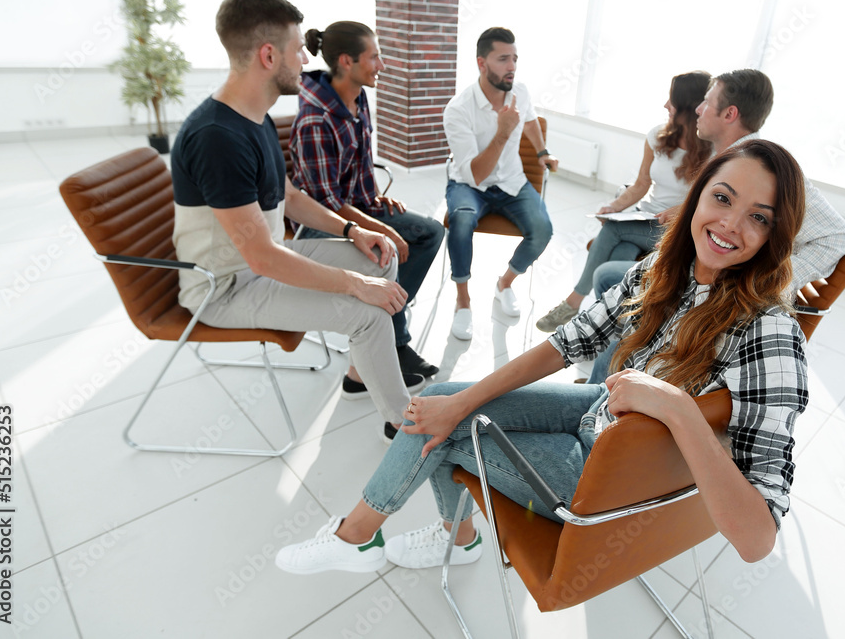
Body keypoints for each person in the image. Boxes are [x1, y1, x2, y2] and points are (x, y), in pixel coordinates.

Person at [275, 139, 809, 576]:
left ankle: (359, 537)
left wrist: (677, 407)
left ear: (776, 235)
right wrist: (466, 398)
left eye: (758, 217)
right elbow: (566, 343)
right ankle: (450, 540)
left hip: (613, 478)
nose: (731, 225)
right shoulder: (664, 272)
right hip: (603, 412)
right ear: (696, 199)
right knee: (444, 401)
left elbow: (757, 538)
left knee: (443, 431)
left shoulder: (770, 334)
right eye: (722, 198)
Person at [170, 0, 423, 445]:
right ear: (269, 56)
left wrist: (353, 230)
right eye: (297, 50)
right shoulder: (216, 138)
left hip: (264, 258)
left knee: (381, 257)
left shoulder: (255, 117)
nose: (307, 59)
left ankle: (359, 375)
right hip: (226, 286)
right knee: (363, 311)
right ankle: (406, 427)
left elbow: (287, 196)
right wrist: (352, 283)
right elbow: (262, 259)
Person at [579, 69, 845, 384]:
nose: (698, 109)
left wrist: (765, 282)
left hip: (723, 293)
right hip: (704, 276)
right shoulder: (728, 157)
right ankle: (606, 379)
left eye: (706, 103)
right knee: (618, 275)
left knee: (616, 280)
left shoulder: (765, 168)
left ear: (730, 114)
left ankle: (603, 388)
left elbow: (837, 238)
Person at [289, 21, 444, 381]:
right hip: (320, 225)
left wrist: (376, 200)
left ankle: (383, 325)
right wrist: (379, 227)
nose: (382, 65)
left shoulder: (357, 97)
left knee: (431, 232)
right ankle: (390, 342)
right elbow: (326, 202)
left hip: (355, 206)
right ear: (346, 61)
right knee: (390, 247)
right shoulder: (316, 120)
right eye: (374, 57)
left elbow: (359, 165)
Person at [536, 71, 713, 332]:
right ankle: (604, 326)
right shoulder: (657, 136)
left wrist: (678, 212)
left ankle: (573, 303)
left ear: (689, 106)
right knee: (614, 260)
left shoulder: (713, 151)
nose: (665, 105)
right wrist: (613, 207)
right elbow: (642, 184)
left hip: (675, 229)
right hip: (644, 218)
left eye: (672, 100)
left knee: (613, 229)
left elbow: (706, 203)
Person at [442, 27, 559, 341]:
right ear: (482, 63)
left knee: (543, 230)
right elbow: (476, 175)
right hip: (470, 185)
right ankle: (463, 301)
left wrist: (543, 152)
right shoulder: (457, 110)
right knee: (462, 220)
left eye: (515, 59)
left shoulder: (520, 90)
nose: (512, 66)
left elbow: (531, 120)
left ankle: (504, 283)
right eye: (503, 59)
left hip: (512, 182)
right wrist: (504, 131)